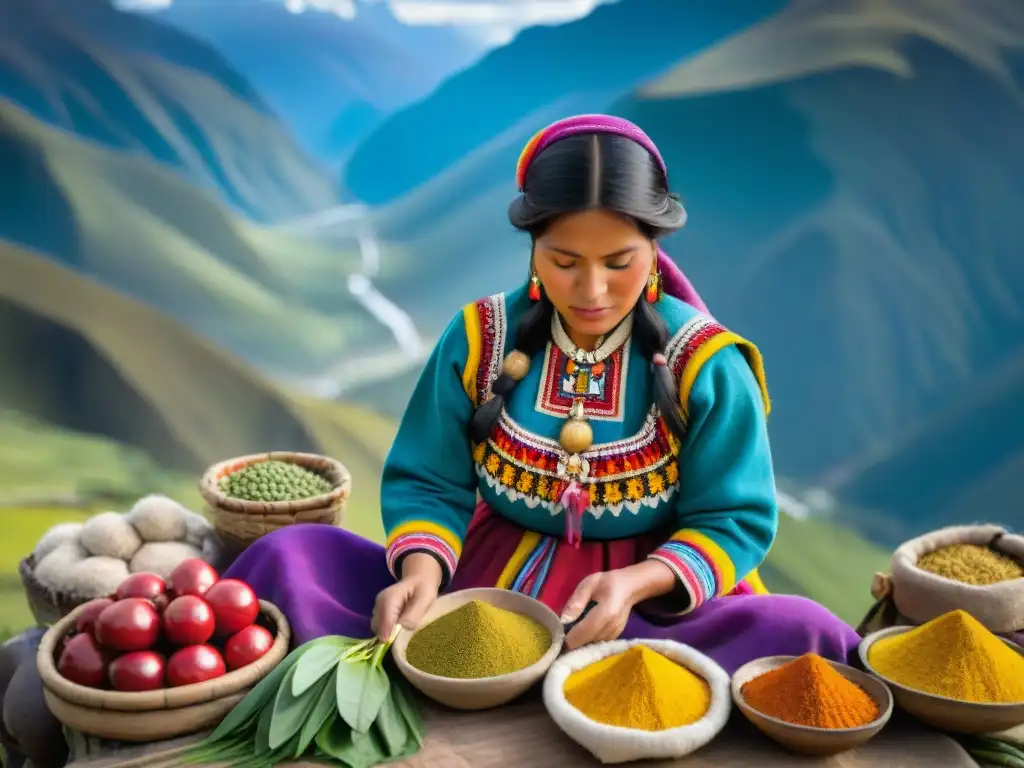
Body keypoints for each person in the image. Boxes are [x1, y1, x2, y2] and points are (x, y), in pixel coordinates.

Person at [224, 114, 862, 674]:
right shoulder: (479, 337)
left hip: (642, 612)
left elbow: (735, 516)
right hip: (475, 590)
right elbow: (429, 477)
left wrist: (637, 584)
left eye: (619, 262)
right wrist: (421, 574)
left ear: (656, 247)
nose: (591, 290)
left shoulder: (707, 365)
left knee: (806, 634)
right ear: (532, 247)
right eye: (563, 261)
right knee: (291, 555)